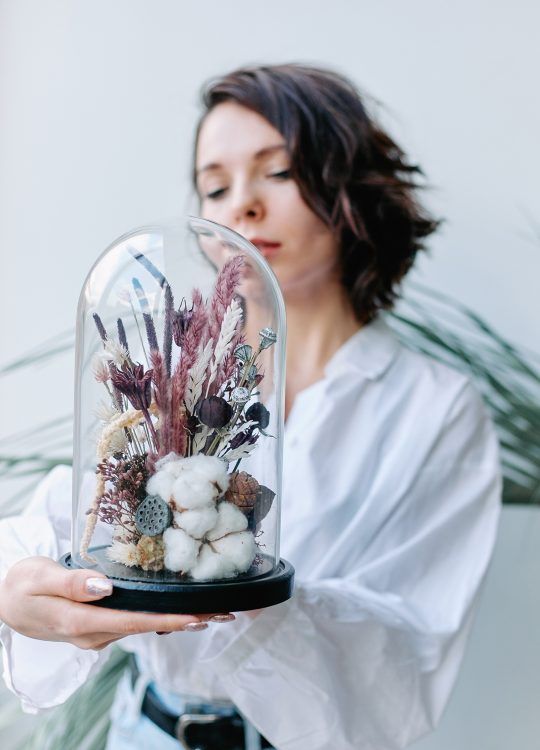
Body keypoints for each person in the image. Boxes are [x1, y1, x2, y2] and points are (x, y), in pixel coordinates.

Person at [0, 64, 501, 750]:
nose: (242, 205)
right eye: (215, 185)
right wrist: (23, 583)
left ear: (348, 184)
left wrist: (244, 592)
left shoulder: (435, 410)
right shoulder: (173, 383)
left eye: (280, 172)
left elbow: (409, 653)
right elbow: (68, 514)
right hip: (146, 734)